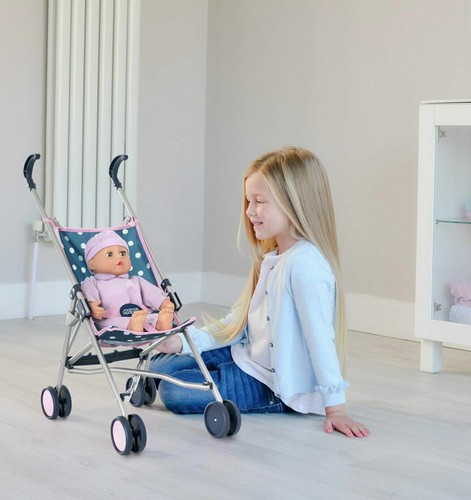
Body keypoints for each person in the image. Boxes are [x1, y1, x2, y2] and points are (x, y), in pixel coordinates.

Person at [151, 147, 370, 438]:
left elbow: (320, 341)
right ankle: (173, 363)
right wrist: (180, 342)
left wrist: (335, 408)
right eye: (248, 201)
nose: (249, 211)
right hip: (248, 359)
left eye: (260, 201)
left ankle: (173, 377)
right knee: (162, 363)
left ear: (294, 204)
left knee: (173, 391)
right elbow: (237, 325)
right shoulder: (272, 258)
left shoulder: (306, 265)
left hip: (273, 387)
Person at [81, 230, 174, 332]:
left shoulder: (136, 280)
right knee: (113, 324)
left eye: (123, 253)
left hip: (141, 315)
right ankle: (132, 326)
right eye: (110, 254)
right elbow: (89, 296)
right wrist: (92, 307)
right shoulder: (91, 283)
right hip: (110, 318)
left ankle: (161, 324)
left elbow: (151, 293)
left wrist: (162, 302)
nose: (119, 257)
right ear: (92, 264)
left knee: (152, 317)